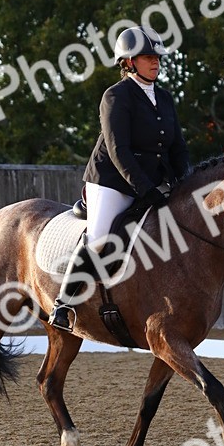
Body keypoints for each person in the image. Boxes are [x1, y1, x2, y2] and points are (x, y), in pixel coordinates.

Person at [48, 25, 191, 330]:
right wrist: (145, 188)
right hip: (113, 180)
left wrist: (185, 180)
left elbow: (177, 145)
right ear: (128, 62)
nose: (156, 61)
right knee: (100, 240)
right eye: (147, 56)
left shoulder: (164, 98)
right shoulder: (116, 96)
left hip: (153, 180)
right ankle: (64, 303)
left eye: (157, 56)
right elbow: (118, 150)